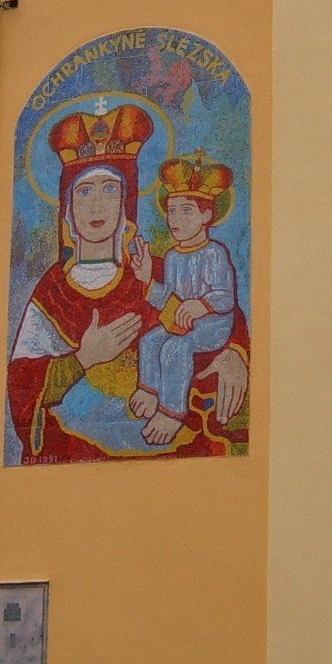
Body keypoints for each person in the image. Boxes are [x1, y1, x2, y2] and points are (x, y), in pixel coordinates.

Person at [7, 105, 248, 463]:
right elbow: (21, 388)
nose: (97, 206)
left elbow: (220, 318)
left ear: (126, 204)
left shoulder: (151, 270)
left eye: (110, 190)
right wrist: (85, 357)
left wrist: (235, 355)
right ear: (68, 210)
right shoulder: (53, 291)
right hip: (76, 458)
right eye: (84, 192)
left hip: (178, 451)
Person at [127, 153, 238, 446]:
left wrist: (201, 305)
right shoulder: (174, 256)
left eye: (186, 211)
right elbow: (170, 301)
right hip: (182, 321)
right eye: (172, 211)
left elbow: (225, 297)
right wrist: (147, 280)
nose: (175, 219)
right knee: (150, 340)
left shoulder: (214, 252)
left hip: (211, 326)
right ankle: (149, 390)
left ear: (206, 216)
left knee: (176, 348)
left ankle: (172, 411)